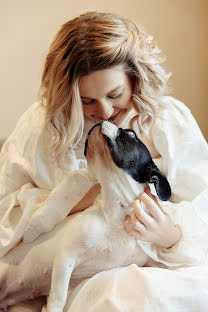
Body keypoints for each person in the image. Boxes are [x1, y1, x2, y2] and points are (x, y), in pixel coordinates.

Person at [0, 11, 208, 311]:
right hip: (84, 274)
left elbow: (203, 205)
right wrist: (70, 201)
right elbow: (6, 213)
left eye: (116, 94)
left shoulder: (167, 121)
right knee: (127, 295)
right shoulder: (40, 127)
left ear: (135, 77)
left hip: (166, 265)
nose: (106, 111)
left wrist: (172, 236)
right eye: (86, 101)